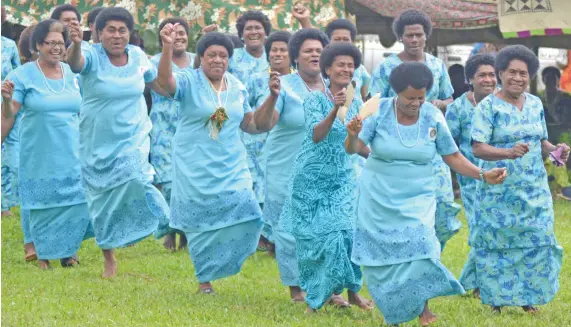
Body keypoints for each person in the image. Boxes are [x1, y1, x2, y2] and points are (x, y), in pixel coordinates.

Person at [345, 62, 507, 326]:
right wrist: (352, 135)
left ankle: (423, 308)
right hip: (378, 194)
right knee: (381, 258)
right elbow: (353, 149)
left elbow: (452, 156)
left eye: (421, 98)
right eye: (410, 98)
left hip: (417, 194)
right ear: (397, 92)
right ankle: (394, 310)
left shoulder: (432, 115)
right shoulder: (379, 110)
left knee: (423, 245)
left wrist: (481, 174)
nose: (416, 103)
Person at [157, 26, 273, 294]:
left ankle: (226, 261)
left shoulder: (236, 86)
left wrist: (272, 101)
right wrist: (166, 47)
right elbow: (165, 82)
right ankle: (205, 279)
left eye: (223, 55)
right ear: (201, 57)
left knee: (249, 212)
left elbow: (250, 123)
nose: (218, 60)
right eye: (211, 55)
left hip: (230, 162)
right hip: (193, 162)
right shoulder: (188, 79)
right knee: (200, 223)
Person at [66, 7, 170, 278]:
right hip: (97, 140)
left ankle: (160, 218)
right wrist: (76, 43)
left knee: (136, 176)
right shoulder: (90, 54)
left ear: (130, 33)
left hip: (133, 136)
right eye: (110, 30)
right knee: (102, 198)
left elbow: (158, 83)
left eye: (122, 30)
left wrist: (169, 53)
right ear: (99, 33)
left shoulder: (137, 56)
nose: (116, 35)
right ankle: (109, 257)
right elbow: (75, 64)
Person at [470, 45, 569, 313]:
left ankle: (528, 298)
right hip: (498, 188)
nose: (518, 78)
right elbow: (477, 147)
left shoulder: (535, 103)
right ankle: (496, 300)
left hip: (534, 189)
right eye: (512, 72)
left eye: (523, 73)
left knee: (536, 240)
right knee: (498, 243)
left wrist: (556, 150)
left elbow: (541, 141)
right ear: (500, 73)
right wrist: (507, 152)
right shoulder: (488, 107)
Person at [279, 43, 373, 313]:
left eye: (350, 65)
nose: (346, 69)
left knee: (345, 232)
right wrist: (335, 109)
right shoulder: (315, 99)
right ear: (328, 69)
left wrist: (378, 158)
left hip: (342, 178)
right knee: (315, 242)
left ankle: (353, 290)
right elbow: (316, 135)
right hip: (309, 179)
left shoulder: (358, 102)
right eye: (340, 65)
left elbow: (357, 143)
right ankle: (317, 297)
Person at [1, 19, 94, 269]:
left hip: (72, 149)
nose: (56, 47)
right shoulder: (21, 75)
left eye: (60, 43)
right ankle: (42, 254)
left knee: (76, 200)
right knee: (42, 203)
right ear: (37, 45)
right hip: (38, 150)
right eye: (50, 43)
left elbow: (83, 111)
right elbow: (8, 115)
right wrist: (7, 101)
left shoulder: (71, 74)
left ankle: (68, 251)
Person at [368, 9, 461, 250]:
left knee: (440, 201)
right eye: (409, 35)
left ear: (426, 36)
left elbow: (449, 98)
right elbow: (374, 103)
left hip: (432, 145)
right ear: (401, 37)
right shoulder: (387, 67)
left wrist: (439, 104)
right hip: (399, 144)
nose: (414, 40)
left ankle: (432, 252)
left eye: (419, 35)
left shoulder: (437, 66)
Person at [254, 28, 330, 303]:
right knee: (289, 232)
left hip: (323, 171)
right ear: (296, 55)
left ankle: (324, 284)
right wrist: (272, 97)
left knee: (324, 228)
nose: (314, 55)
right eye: (308, 50)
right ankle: (297, 288)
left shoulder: (336, 87)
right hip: (285, 169)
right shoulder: (283, 86)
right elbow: (263, 124)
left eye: (319, 51)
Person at [445, 53, 497, 298]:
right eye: (482, 75)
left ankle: (471, 283)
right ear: (470, 80)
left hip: (502, 178)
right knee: (480, 229)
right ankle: (473, 284)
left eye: (492, 75)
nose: (488, 79)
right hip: (472, 180)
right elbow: (448, 147)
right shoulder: (457, 108)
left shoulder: (503, 104)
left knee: (496, 229)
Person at [149, 17, 196, 251]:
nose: (179, 37)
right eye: (173, 33)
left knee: (188, 182)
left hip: (191, 130)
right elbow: (157, 88)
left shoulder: (198, 62)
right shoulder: (153, 62)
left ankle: (186, 234)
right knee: (167, 183)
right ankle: (170, 229)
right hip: (163, 131)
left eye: (182, 33)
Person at [246, 30, 294, 255]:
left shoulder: (297, 82)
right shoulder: (256, 80)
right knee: (261, 189)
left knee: (282, 191)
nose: (278, 53)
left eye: (283, 49)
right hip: (256, 144)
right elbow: (247, 110)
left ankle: (278, 242)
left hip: (285, 145)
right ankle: (264, 237)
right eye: (274, 49)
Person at [1, 6, 21, 218]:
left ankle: (6, 202)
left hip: (8, 106)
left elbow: (17, 75)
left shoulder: (9, 46)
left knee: (9, 157)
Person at [325, 18, 371, 101]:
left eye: (346, 39)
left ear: (352, 42)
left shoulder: (361, 70)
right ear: (328, 41)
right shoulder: (321, 68)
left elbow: (367, 98)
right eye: (337, 39)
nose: (342, 43)